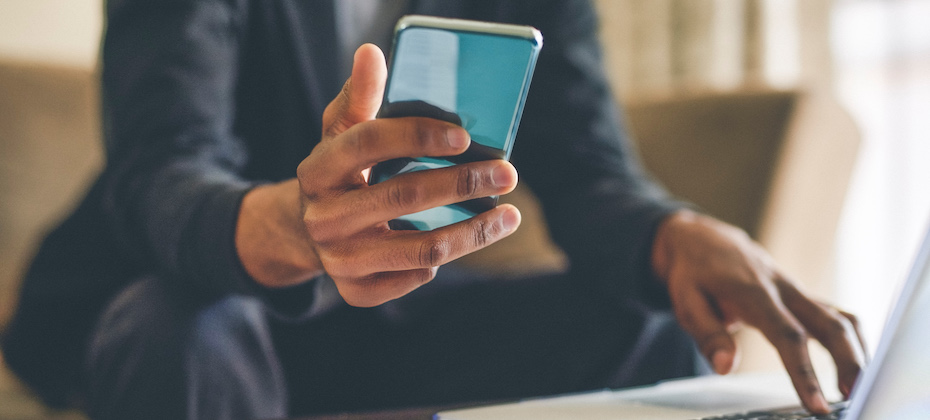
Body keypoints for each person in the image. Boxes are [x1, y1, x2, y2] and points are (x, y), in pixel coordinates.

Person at [1, 1, 867, 419]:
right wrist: (302, 228)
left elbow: (589, 170)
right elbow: (161, 168)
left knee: (646, 322)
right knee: (179, 329)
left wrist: (675, 234)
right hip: (194, 296)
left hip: (384, 325)